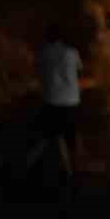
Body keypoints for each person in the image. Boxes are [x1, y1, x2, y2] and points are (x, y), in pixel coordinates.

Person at [36, 23, 83, 197]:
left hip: (51, 100)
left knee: (56, 136)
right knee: (72, 135)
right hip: (71, 100)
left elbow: (39, 72)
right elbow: (79, 71)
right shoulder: (71, 52)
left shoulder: (42, 53)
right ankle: (77, 168)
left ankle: (66, 169)